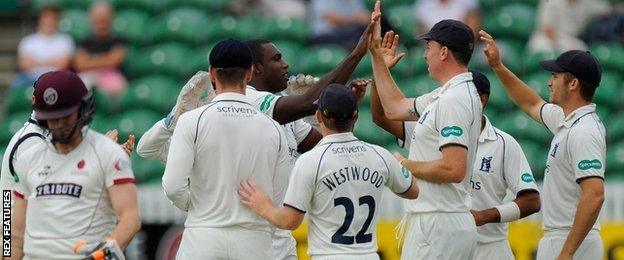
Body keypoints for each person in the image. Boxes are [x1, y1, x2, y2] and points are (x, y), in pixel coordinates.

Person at [370, 65, 541, 259]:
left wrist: (484, 216)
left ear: (482, 100)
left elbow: (532, 201)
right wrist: (379, 71)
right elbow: (381, 117)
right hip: (444, 242)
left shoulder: (504, 144)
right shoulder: (430, 130)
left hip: (490, 249)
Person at [237, 83, 419, 260]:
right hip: (369, 255)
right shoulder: (380, 155)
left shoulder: (310, 161)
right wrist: (401, 162)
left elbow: (289, 221)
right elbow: (412, 191)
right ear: (356, 116)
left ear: (318, 116)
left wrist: (263, 206)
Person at [480, 30, 606, 260]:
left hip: (572, 243)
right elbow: (530, 102)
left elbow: (595, 195)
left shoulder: (583, 131)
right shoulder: (566, 120)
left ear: (573, 83)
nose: (549, 82)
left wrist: (567, 252)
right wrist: (498, 66)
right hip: (562, 239)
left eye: (556, 76)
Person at [161, 39, 291, 259]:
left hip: (203, 238)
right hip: (254, 241)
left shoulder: (191, 121)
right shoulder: (274, 129)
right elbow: (277, 199)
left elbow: (173, 187)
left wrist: (198, 208)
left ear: (212, 74)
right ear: (250, 73)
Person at [369, 8, 482, 258]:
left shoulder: (453, 99)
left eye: (428, 47)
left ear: (444, 52)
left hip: (439, 225)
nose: (425, 55)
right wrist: (378, 61)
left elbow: (454, 169)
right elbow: (393, 107)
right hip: (440, 223)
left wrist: (404, 164)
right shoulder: (447, 95)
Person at [10, 70, 140, 259]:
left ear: (84, 109)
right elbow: (11, 222)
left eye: (65, 116)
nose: (59, 125)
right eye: (52, 118)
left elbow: (131, 219)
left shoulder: (109, 153)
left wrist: (99, 255)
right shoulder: (27, 150)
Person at [73, 1, 128, 96]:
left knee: (121, 87)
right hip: (88, 76)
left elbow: (115, 61)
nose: (101, 19)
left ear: (111, 17)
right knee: (77, 85)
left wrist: (91, 60)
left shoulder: (118, 40)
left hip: (112, 77)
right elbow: (80, 64)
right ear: (91, 18)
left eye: (104, 16)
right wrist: (105, 59)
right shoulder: (84, 41)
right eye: (97, 16)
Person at [12, 5, 74, 88]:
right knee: (17, 81)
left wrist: (37, 62)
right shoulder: (27, 41)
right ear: (40, 20)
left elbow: (63, 64)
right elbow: (24, 65)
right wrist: (53, 61)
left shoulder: (66, 40)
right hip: (30, 79)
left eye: (53, 18)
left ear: (57, 20)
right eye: (47, 18)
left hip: (57, 79)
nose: (49, 21)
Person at [528, 0, 609, 53]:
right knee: (542, 47)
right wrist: (559, 45)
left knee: (583, 52)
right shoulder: (551, 1)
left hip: (570, 40)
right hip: (547, 38)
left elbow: (606, 9)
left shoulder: (586, 3)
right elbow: (547, 29)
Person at [414, 0, 481, 37]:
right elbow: (422, 34)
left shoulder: (467, 2)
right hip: (435, 48)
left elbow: (472, 32)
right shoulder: (423, 4)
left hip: (462, 47)